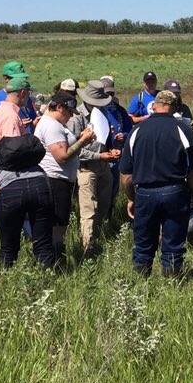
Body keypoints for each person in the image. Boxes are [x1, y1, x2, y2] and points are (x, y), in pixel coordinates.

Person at [119, 90, 193, 276]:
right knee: (173, 245)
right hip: (175, 191)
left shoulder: (137, 131)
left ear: (154, 106)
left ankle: (142, 283)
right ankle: (171, 285)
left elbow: (125, 173)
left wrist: (131, 197)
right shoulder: (183, 130)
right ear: (174, 107)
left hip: (145, 192)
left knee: (143, 245)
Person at [0, 135, 57, 268]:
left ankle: (6, 280)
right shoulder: (27, 155)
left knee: (8, 247)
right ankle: (47, 280)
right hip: (41, 186)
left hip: (10, 191)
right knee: (43, 244)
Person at [36, 90, 95, 258]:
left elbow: (65, 147)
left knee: (60, 221)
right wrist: (82, 141)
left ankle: (54, 256)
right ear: (60, 107)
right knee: (57, 224)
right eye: (69, 112)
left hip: (61, 180)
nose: (70, 116)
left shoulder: (56, 124)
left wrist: (80, 139)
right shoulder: (52, 126)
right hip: (54, 181)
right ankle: (54, 258)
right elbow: (62, 156)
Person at [72, 80, 119, 255]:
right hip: (86, 168)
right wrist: (100, 156)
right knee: (88, 209)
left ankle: (97, 237)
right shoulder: (76, 116)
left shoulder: (103, 112)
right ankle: (87, 248)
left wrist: (110, 150)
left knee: (104, 204)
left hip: (103, 166)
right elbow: (75, 149)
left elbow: (103, 138)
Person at [0, 61, 39, 136]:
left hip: (27, 144)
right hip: (7, 146)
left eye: (23, 78)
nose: (21, 81)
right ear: (5, 78)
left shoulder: (26, 97)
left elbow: (31, 125)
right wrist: (16, 124)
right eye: (16, 78)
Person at [101, 75, 132, 218]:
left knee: (113, 189)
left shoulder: (120, 111)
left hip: (117, 155)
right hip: (102, 156)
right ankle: (102, 218)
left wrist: (124, 135)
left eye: (112, 93)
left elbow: (130, 129)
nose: (110, 96)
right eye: (107, 94)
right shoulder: (98, 111)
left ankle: (109, 215)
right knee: (101, 191)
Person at [0, 74, 32, 150]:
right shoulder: (10, 116)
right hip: (6, 160)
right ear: (23, 93)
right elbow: (14, 149)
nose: (29, 97)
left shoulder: (1, 110)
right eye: (28, 93)